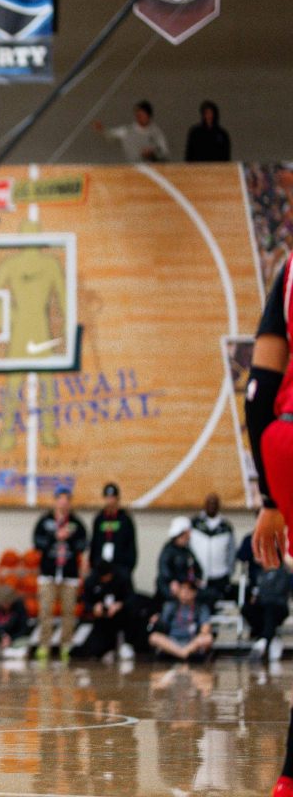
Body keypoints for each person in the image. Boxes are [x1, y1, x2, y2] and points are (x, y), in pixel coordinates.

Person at [243, 252, 293, 794]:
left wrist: (271, 496)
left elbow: (257, 390)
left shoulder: (291, 270)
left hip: (285, 438)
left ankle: (289, 779)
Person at [32, 486, 87, 661]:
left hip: (69, 574)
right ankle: (44, 645)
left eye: (67, 499)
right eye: (60, 498)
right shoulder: (45, 521)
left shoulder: (76, 523)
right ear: (55, 500)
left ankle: (66, 645)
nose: (63, 502)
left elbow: (83, 544)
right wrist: (55, 537)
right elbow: (37, 543)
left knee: (69, 612)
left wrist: (68, 537)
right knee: (45, 611)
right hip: (48, 573)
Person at [238, 530, 291, 662]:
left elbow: (279, 592)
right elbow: (258, 592)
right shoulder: (260, 573)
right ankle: (268, 639)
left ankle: (263, 642)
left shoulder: (282, 572)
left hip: (277, 607)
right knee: (247, 608)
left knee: (270, 609)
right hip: (264, 606)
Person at [74, 561, 134, 661]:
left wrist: (119, 605)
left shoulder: (123, 577)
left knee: (130, 617)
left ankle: (126, 644)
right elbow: (85, 601)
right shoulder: (91, 580)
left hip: (122, 617)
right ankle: (105, 649)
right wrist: (94, 607)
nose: (105, 579)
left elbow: (131, 598)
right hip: (101, 620)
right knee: (91, 650)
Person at [148, 579, 213, 662]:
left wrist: (200, 636)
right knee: (154, 637)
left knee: (208, 638)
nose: (185, 593)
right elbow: (162, 627)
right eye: (182, 589)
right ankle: (183, 654)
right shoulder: (170, 606)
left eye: (189, 589)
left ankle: (181, 653)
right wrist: (157, 620)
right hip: (172, 641)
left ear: (195, 592)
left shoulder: (201, 608)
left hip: (191, 642)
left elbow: (205, 630)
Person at [190, 493, 236, 605]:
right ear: (204, 505)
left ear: (219, 506)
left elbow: (232, 551)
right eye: (209, 503)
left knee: (218, 603)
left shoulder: (225, 526)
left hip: (220, 574)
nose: (212, 506)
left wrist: (229, 571)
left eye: (214, 503)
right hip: (199, 575)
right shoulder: (194, 523)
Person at [89, 483, 138, 586]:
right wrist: (93, 564)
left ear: (117, 499)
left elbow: (131, 545)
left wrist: (128, 567)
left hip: (120, 565)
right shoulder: (99, 519)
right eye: (108, 497)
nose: (110, 501)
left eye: (113, 497)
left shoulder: (125, 519)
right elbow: (94, 543)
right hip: (101, 566)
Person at [93, 100, 169, 163]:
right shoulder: (127, 130)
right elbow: (110, 133)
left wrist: (152, 154)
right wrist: (102, 129)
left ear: (148, 116)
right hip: (133, 169)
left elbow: (164, 152)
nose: (140, 118)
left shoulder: (156, 132)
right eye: (138, 115)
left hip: (154, 170)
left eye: (142, 115)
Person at [156, 517, 203, 604]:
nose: (189, 536)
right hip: (173, 590)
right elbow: (164, 569)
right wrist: (172, 581)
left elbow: (196, 568)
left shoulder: (187, 551)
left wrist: (197, 579)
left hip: (187, 587)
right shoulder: (169, 550)